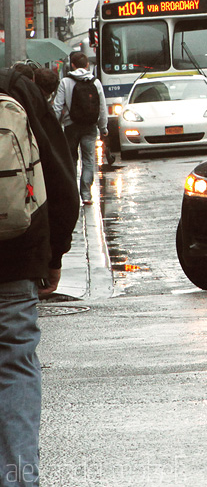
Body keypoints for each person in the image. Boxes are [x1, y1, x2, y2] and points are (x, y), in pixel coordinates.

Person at [0, 65, 78, 487]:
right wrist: (56, 253)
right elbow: (60, 175)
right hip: (17, 256)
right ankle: (18, 476)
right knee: (14, 366)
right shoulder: (18, 91)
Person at [51, 51, 108, 206]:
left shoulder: (65, 82)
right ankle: (86, 195)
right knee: (89, 160)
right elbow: (102, 107)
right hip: (90, 127)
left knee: (71, 160)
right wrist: (103, 128)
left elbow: (57, 107)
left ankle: (72, 194)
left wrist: (54, 127)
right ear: (87, 65)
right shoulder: (95, 82)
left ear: (72, 65)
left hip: (71, 127)